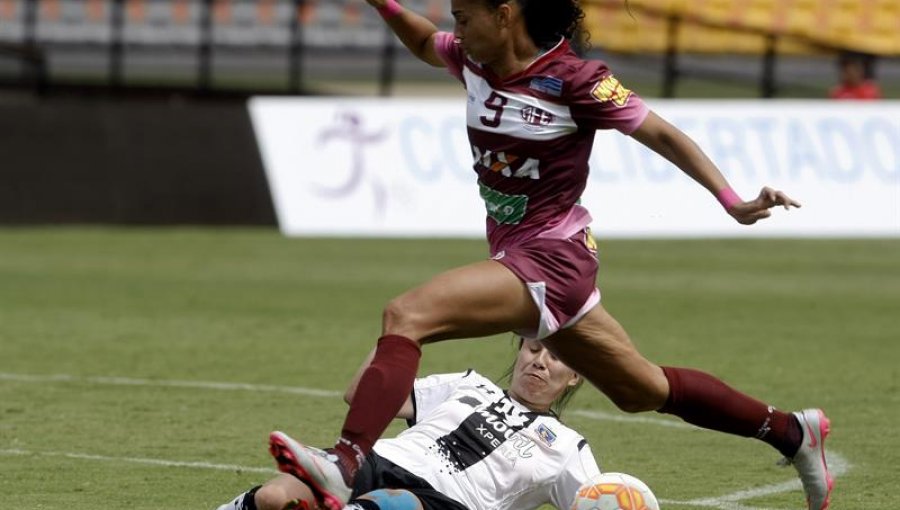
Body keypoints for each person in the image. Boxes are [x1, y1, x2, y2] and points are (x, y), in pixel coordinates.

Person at [269, 1, 832, 510]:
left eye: (464, 17)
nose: (455, 31)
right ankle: (790, 431)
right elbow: (422, 41)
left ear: (507, 14)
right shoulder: (474, 60)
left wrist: (731, 199)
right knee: (642, 390)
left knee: (407, 314)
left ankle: (344, 463)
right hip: (525, 257)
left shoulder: (577, 81)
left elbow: (661, 134)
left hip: (551, 259)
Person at [220, 338, 596, 510]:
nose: (540, 361)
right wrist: (401, 336)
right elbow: (360, 396)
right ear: (520, 350)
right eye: (533, 348)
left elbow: (597, 502)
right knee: (274, 498)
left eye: (557, 358)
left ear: (575, 376)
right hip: (378, 461)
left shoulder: (567, 447)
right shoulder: (468, 383)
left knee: (391, 504)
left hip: (448, 502)